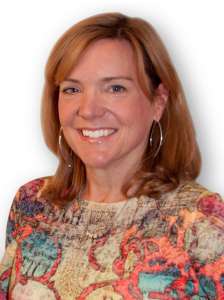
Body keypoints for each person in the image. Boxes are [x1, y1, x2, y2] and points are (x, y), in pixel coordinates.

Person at [0, 11, 224, 300]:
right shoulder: (33, 204)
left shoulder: (201, 219)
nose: (89, 109)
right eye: (72, 89)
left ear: (158, 102)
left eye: (115, 88)